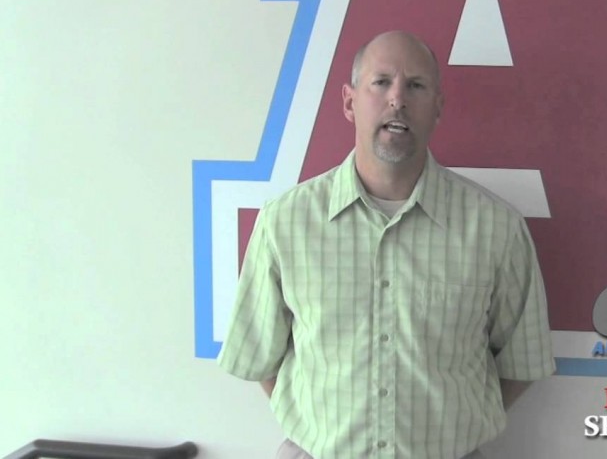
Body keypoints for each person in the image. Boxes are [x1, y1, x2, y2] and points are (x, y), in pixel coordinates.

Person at [218, 31, 555, 459]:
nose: (398, 99)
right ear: (349, 102)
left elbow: (522, 363)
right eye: (381, 82)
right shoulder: (285, 222)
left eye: (416, 85)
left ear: (438, 107)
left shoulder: (496, 229)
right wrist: (319, 430)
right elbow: (258, 358)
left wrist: (449, 433)